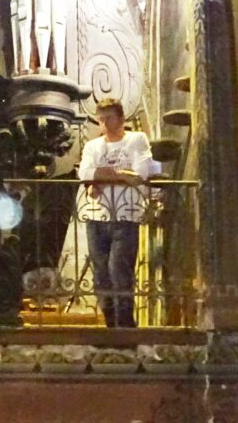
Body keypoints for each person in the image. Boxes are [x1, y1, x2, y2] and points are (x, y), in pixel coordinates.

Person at [77, 97, 157, 328]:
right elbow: (84, 173)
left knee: (119, 268)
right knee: (101, 272)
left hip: (126, 214)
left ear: (121, 118)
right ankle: (110, 323)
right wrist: (123, 175)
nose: (105, 124)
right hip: (96, 215)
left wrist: (102, 177)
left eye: (109, 118)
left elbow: (141, 172)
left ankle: (125, 324)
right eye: (101, 120)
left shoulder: (136, 140)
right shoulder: (93, 146)